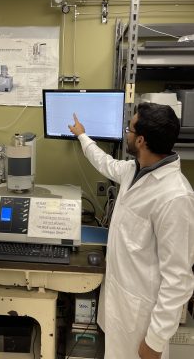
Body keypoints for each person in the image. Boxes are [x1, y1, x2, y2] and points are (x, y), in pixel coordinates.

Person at [68, 102, 194, 359]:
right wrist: (82, 135)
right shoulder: (134, 170)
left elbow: (178, 280)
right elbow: (105, 163)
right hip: (120, 307)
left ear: (141, 141)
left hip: (142, 323)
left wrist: (155, 341)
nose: (126, 132)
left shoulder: (175, 197)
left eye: (130, 128)